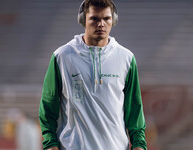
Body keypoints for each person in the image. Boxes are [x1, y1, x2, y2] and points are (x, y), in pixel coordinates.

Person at [39, 0, 147, 150]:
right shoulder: (62, 57)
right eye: (95, 18)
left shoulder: (126, 58)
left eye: (106, 18)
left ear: (113, 20)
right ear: (83, 20)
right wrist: (50, 143)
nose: (101, 24)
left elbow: (135, 108)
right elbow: (48, 106)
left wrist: (139, 145)